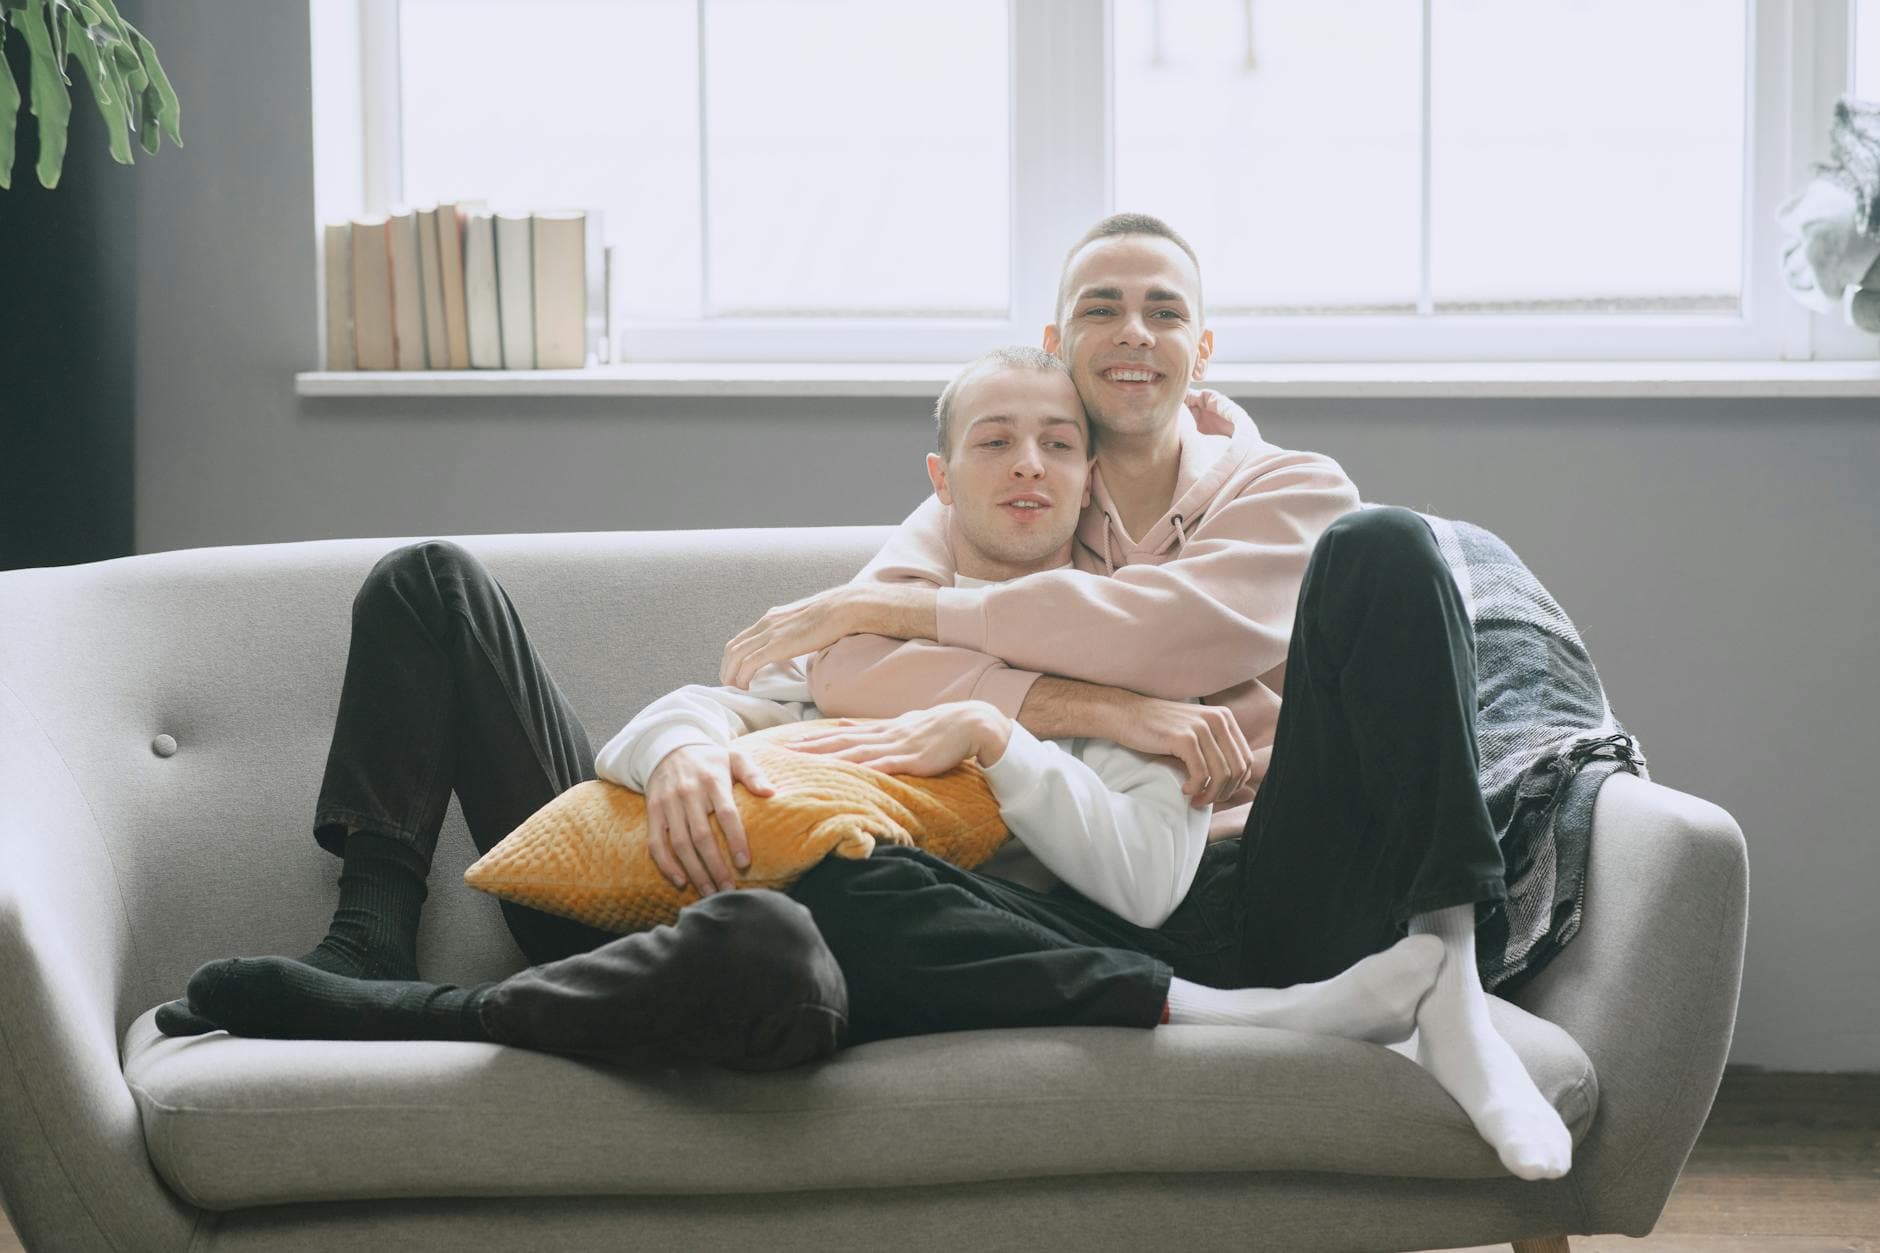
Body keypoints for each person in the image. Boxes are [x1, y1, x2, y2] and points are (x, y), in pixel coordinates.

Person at [157, 349, 1443, 1071]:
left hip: (778, 933)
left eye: (1058, 441)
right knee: (427, 581)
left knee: (803, 914)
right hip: (617, 874)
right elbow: (730, 699)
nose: (1029, 463)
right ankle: (367, 941)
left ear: (1089, 471)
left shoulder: (1129, 637)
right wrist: (678, 756)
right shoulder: (880, 614)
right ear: (945, 478)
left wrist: (1028, 728)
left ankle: (432, 1019)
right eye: (996, 439)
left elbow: (1135, 868)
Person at [720, 213, 1574, 1181]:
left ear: (1199, 349)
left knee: (1386, 542)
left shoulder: (1288, 487)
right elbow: (848, 671)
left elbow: (1163, 633)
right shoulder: (1016, 480)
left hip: (1286, 868)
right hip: (1085, 895)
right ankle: (1220, 1006)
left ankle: (1450, 985)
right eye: (1101, 309)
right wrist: (1100, 710)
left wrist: (916, 609)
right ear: (1056, 344)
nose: (1133, 331)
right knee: (835, 890)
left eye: (1162, 311)